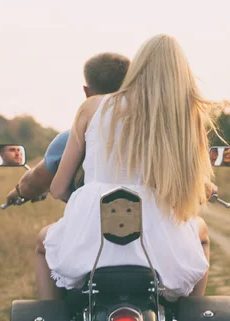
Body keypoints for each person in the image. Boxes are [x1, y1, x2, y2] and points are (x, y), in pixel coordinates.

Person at [37, 35, 216, 301]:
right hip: (157, 239)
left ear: (138, 67)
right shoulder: (185, 116)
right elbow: (193, 187)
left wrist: (82, 200)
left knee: (43, 244)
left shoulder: (92, 106)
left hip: (92, 234)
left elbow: (58, 188)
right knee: (201, 235)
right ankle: (193, 320)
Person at [5, 53, 130, 205]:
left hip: (88, 216)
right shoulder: (151, 136)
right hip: (146, 219)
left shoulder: (71, 138)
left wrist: (18, 191)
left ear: (87, 92)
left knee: (44, 230)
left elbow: (37, 181)